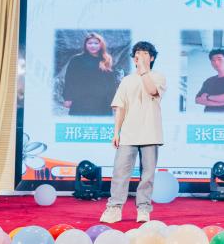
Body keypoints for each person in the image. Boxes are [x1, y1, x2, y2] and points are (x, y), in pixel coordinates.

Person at [101, 41, 166, 224]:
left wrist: (144, 71)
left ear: (151, 58)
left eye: (144, 53)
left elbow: (152, 91)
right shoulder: (127, 80)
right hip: (128, 134)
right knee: (120, 172)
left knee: (147, 175)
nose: (140, 55)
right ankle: (114, 208)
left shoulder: (158, 77)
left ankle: (143, 209)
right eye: (137, 52)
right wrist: (116, 132)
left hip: (151, 133)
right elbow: (120, 108)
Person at [60, 32, 120, 115]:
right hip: (81, 101)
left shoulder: (107, 60)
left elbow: (111, 83)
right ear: (85, 45)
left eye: (96, 43)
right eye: (90, 43)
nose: (93, 46)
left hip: (103, 103)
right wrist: (68, 98)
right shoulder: (76, 60)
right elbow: (69, 79)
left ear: (101, 45)